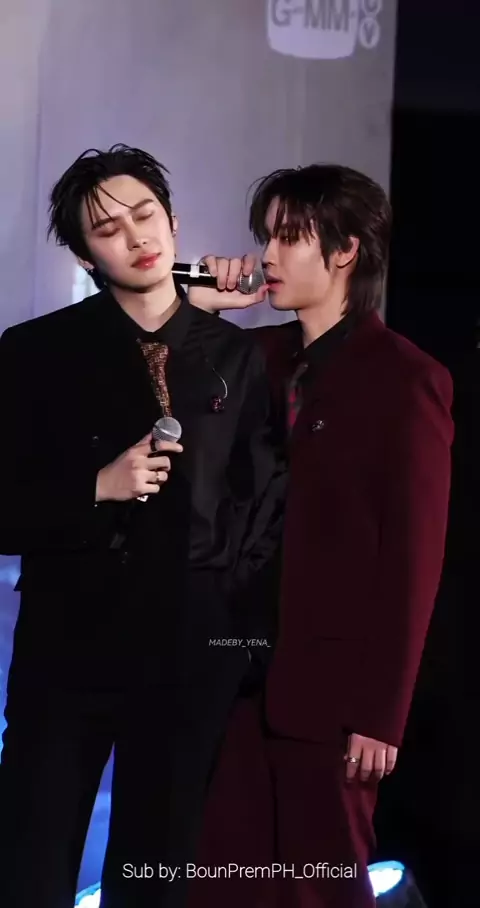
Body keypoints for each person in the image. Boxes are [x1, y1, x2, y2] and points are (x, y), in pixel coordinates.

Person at [0, 145, 287, 908]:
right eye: (108, 230)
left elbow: (262, 505)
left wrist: (236, 642)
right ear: (82, 255)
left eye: (145, 215)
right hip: (67, 651)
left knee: (155, 873)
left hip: (190, 654)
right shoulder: (34, 352)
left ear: (173, 221)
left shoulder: (233, 353)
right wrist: (96, 487)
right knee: (29, 863)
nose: (135, 237)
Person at [187, 164, 454, 908]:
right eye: (265, 237)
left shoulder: (405, 378)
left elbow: (412, 557)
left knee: (320, 887)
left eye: (288, 237)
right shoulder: (254, 359)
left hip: (332, 699)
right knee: (223, 884)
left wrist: (380, 715)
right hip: (235, 679)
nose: (267, 256)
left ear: (344, 250)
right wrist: (200, 312)